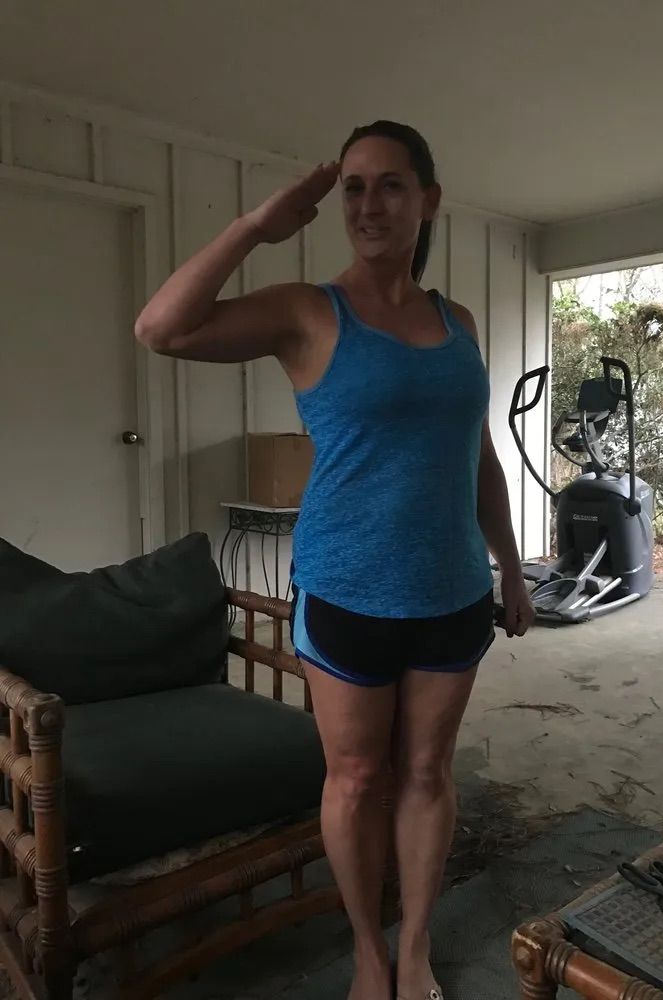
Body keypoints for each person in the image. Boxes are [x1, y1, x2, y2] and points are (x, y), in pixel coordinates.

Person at [135, 120, 535, 1000]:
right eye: (353, 187)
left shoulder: (457, 320)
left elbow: (478, 458)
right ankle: (365, 947)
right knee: (356, 778)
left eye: (391, 185)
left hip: (453, 590)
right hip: (348, 591)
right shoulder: (309, 310)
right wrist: (253, 227)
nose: (368, 204)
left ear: (428, 201)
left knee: (428, 773)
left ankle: (418, 942)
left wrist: (509, 564)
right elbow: (160, 328)